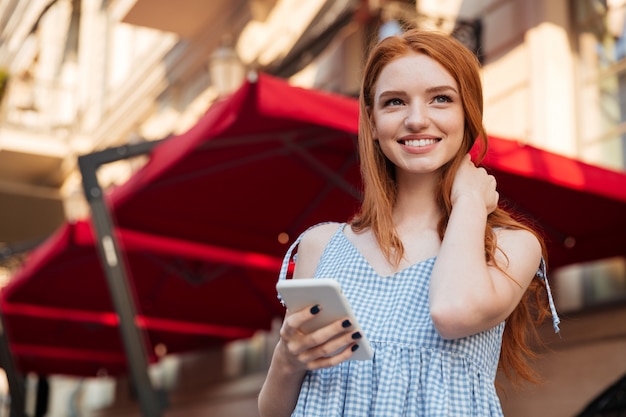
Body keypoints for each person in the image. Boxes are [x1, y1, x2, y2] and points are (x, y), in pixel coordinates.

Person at [258, 29, 560, 417]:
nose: (417, 120)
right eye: (395, 102)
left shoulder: (509, 246)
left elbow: (453, 312)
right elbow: (273, 412)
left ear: (468, 112)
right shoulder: (321, 246)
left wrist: (468, 201)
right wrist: (287, 358)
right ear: (372, 120)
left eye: (440, 99)